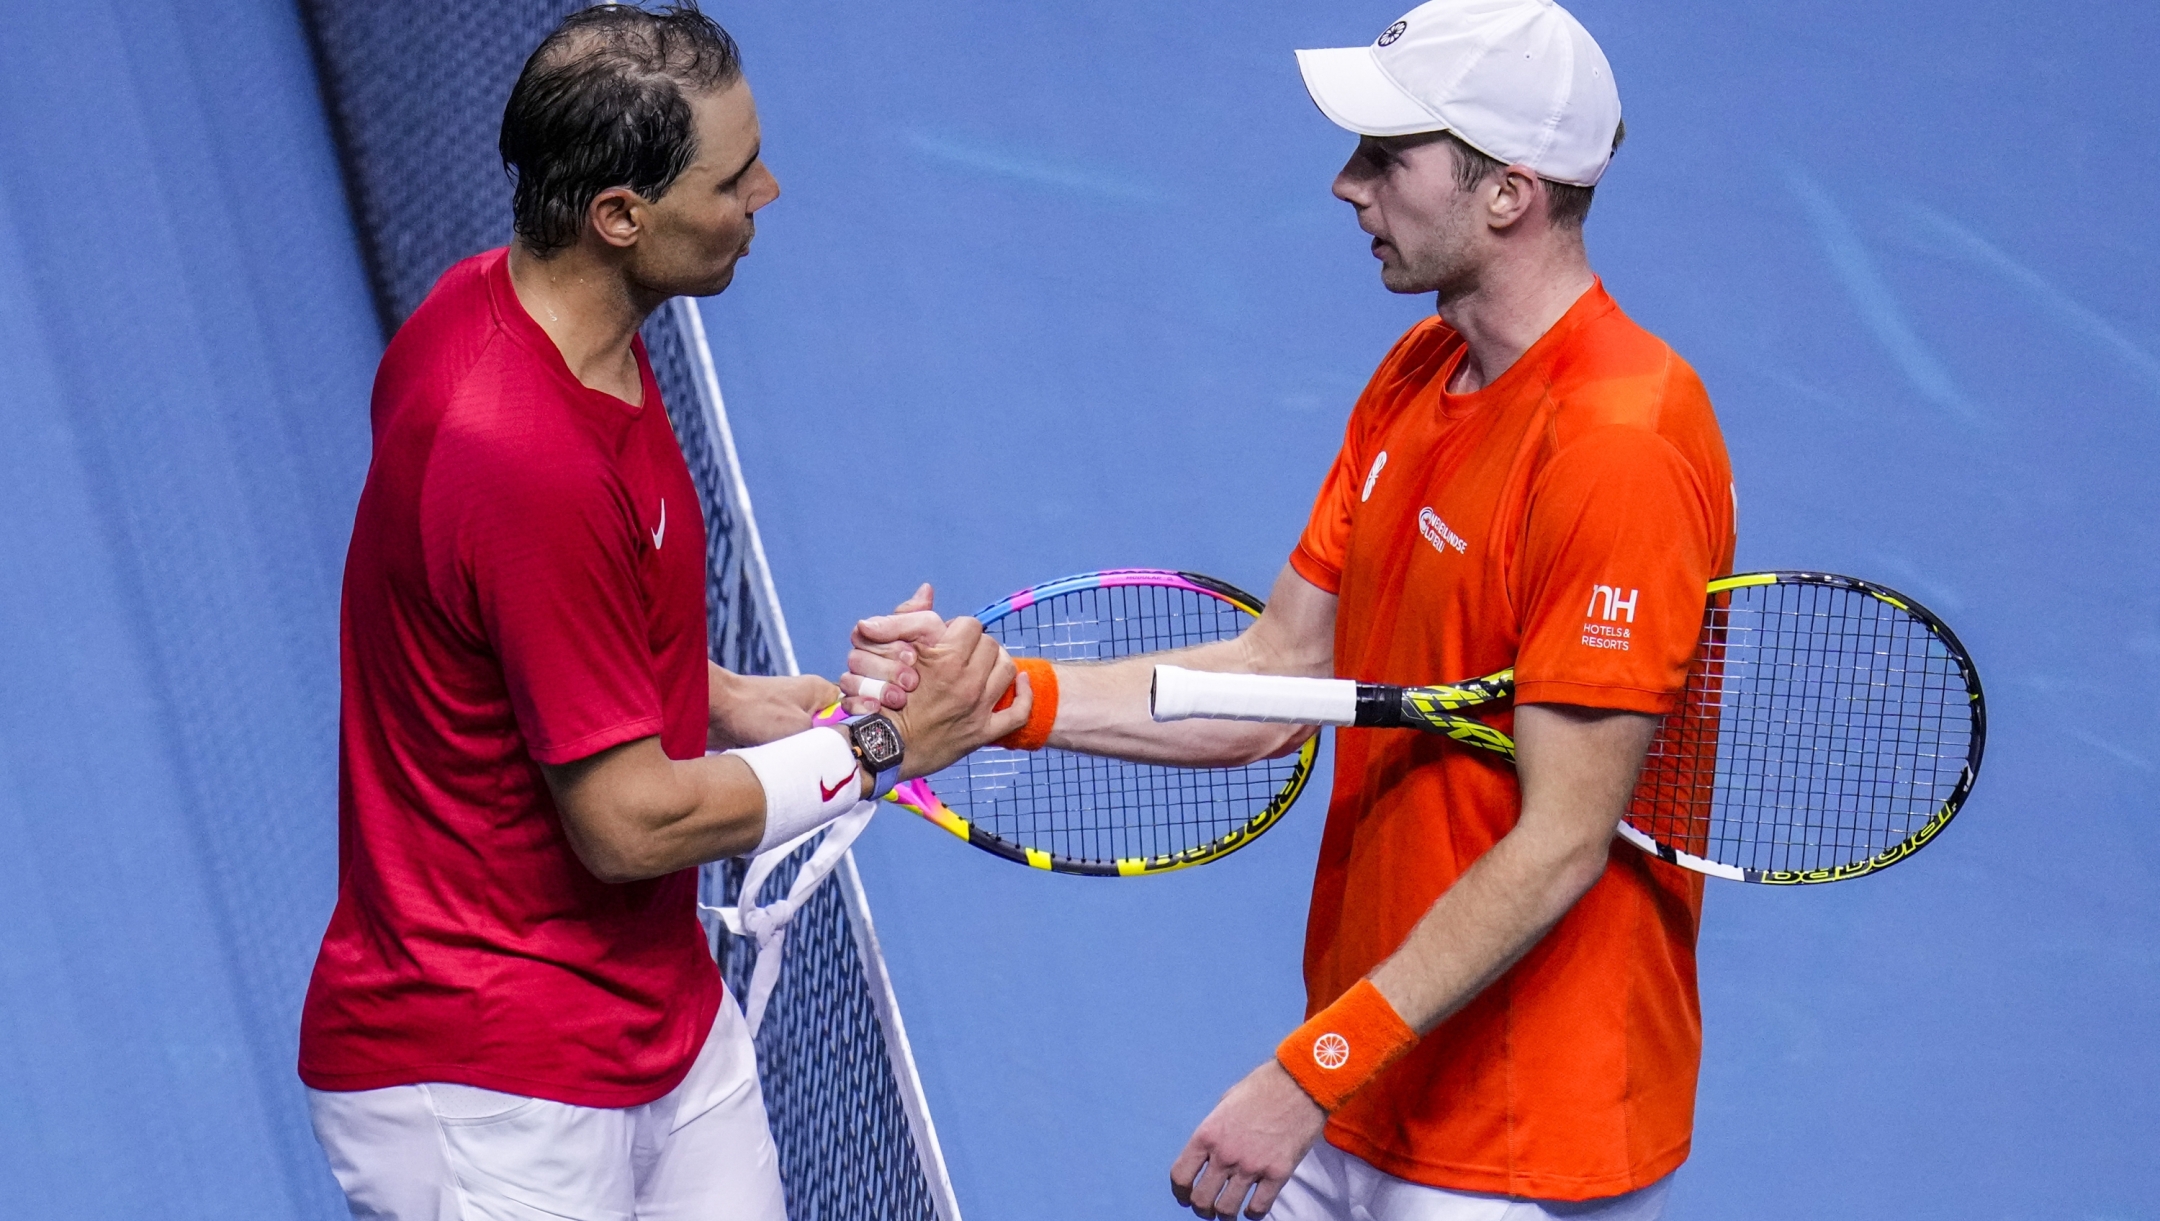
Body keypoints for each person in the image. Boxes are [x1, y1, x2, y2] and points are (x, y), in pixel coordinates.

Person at [846, 2, 1735, 1218]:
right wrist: (992, 697)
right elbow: (1275, 678)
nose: (1346, 184)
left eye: (1387, 157)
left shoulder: (1618, 445)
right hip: (1371, 1069)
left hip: (1511, 1142)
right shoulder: (1419, 373)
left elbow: (1563, 838)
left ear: (1508, 193)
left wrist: (1313, 1068)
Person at [298, 7, 1025, 1218]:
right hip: (489, 1083)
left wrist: (737, 702)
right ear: (621, 216)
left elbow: (539, 646)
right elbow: (628, 826)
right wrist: (883, 749)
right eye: (735, 179)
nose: (769, 193)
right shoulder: (516, 452)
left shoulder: (528, 317)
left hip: (664, 1025)